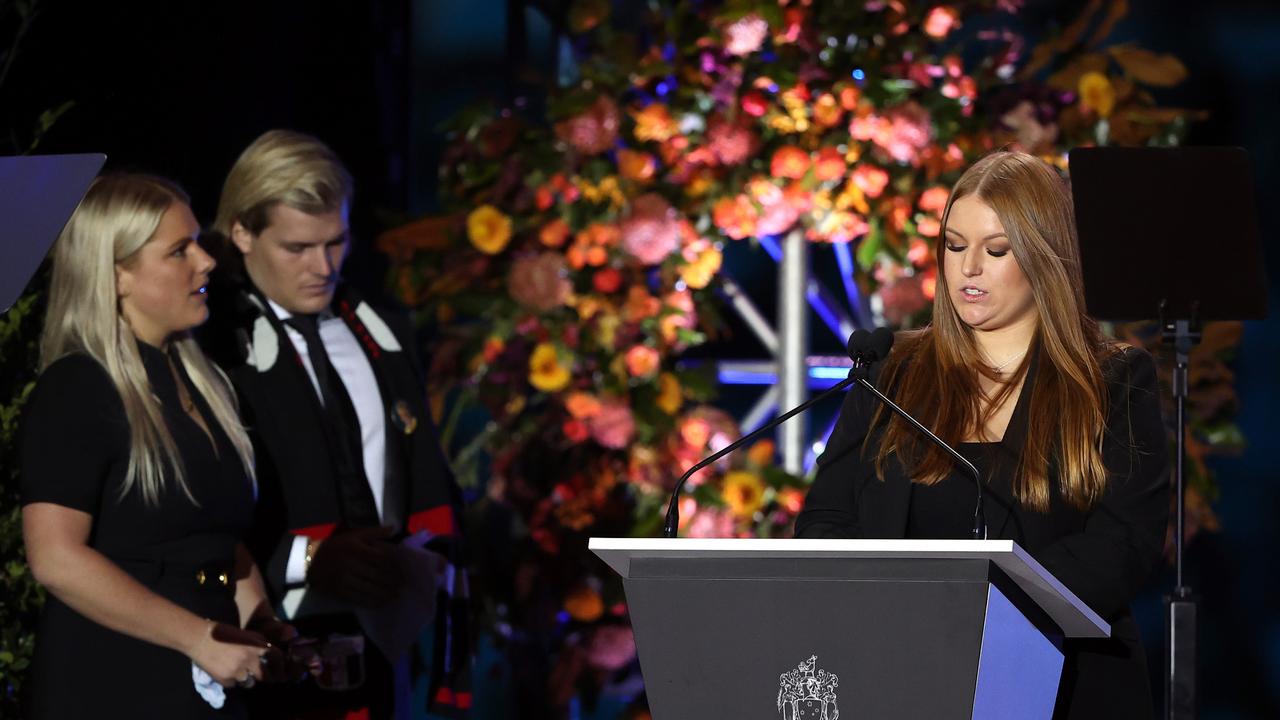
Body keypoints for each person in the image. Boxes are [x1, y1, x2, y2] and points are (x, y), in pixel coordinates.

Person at [795, 150, 1170, 719]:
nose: (968, 268)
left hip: (1063, 686)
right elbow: (827, 521)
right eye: (954, 245)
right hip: (898, 679)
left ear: (1045, 258)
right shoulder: (891, 368)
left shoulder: (1112, 380)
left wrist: (980, 613)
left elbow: (1121, 544)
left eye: (995, 250)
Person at [199, 129, 469, 719]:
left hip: (384, 639)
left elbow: (420, 478)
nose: (322, 267)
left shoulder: (380, 330)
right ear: (241, 232)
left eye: (336, 242)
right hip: (264, 647)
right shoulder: (211, 348)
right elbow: (196, 514)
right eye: (297, 248)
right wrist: (309, 561)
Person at [21, 174, 300, 718]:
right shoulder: (78, 386)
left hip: (205, 678)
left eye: (196, 242)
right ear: (117, 274)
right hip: (116, 682)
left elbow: (219, 542)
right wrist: (197, 637)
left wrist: (259, 622)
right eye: (179, 250)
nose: (206, 261)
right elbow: (54, 557)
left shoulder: (208, 384)